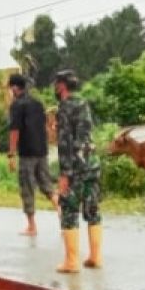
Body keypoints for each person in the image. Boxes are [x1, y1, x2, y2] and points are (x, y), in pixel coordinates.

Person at [53, 69, 102, 273]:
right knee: (92, 209)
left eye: (57, 84)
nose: (55, 88)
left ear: (62, 86)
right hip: (92, 163)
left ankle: (72, 262)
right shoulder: (84, 104)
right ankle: (95, 257)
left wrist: (65, 174)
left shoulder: (64, 108)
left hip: (76, 167)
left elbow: (65, 143)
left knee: (69, 209)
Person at [7, 73, 57, 236]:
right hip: (41, 150)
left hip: (27, 152)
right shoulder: (37, 103)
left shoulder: (17, 105)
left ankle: (31, 226)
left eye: (10, 88)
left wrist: (11, 154)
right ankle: (63, 215)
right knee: (47, 185)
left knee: (27, 187)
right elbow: (46, 125)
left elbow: (15, 131)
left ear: (15, 88)